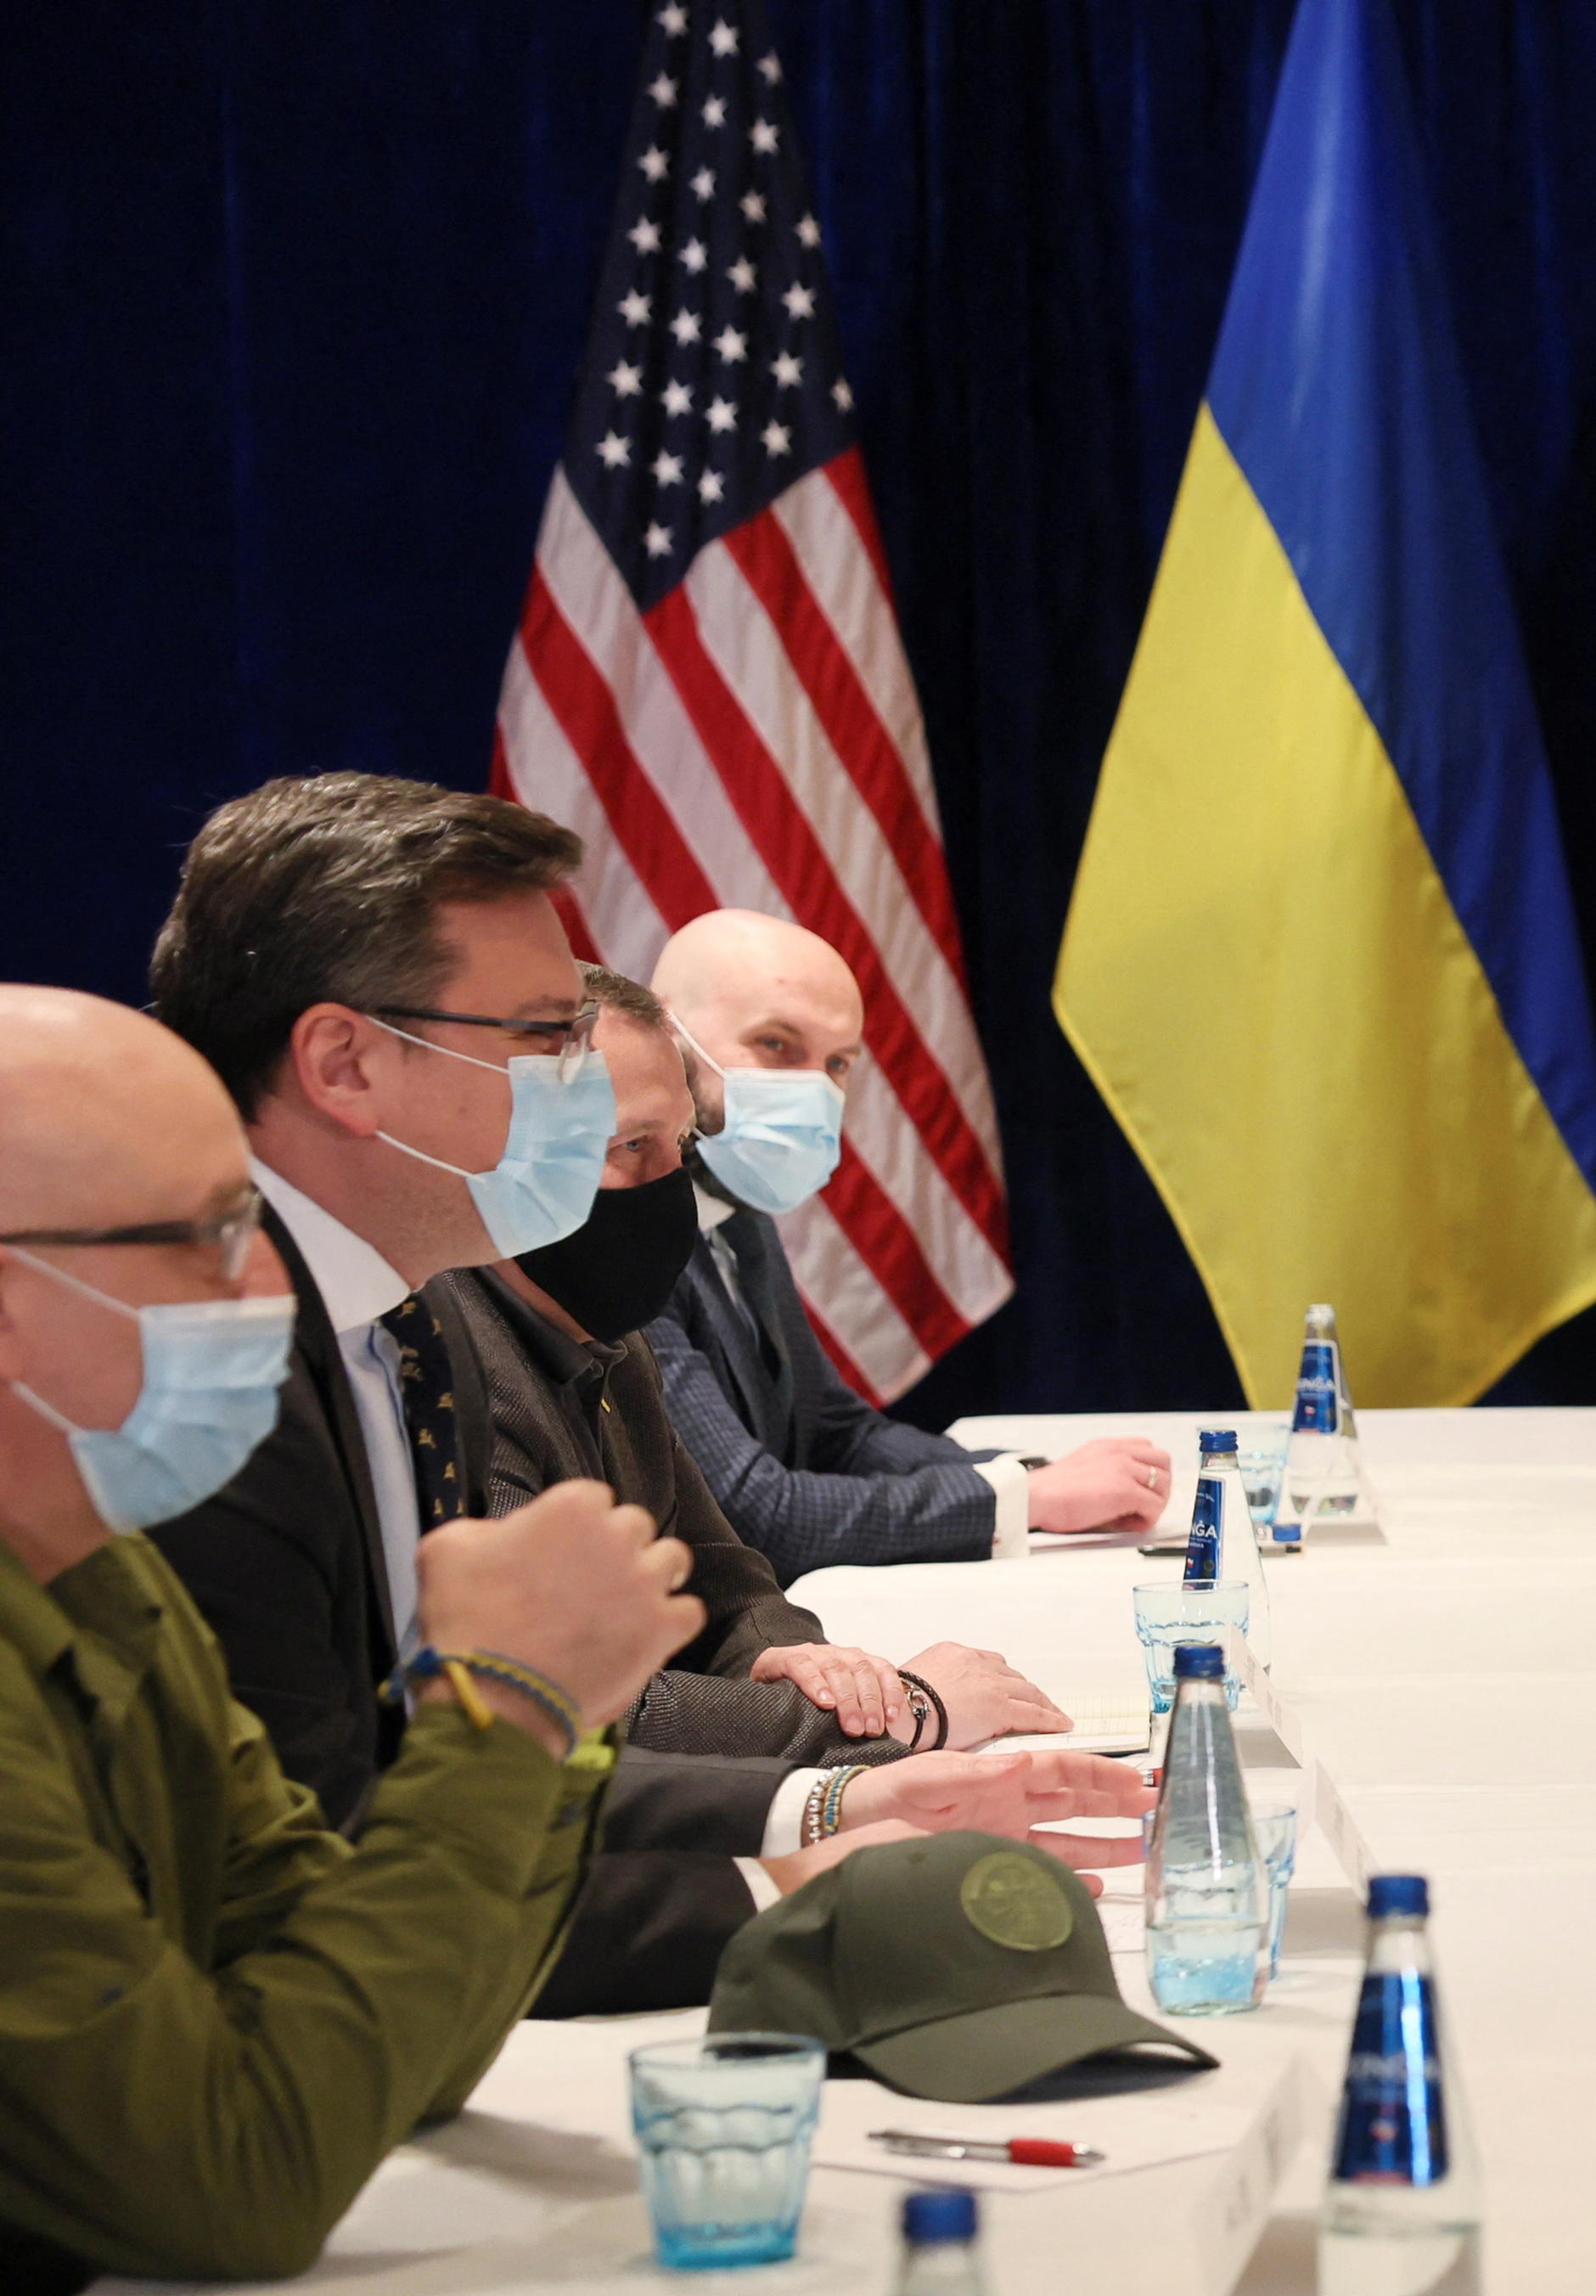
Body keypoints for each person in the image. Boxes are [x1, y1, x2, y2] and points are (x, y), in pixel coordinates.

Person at [137, 776, 1145, 2018]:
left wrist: (830, 1804)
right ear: (345, 1064)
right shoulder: (196, 1379)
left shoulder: (405, 1319)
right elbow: (322, 1860)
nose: (584, 1079)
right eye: (541, 1037)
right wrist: (786, 1884)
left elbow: (485, 1766)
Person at [0, 984, 704, 2296]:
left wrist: (557, 1726)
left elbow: (389, 2045)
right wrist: (507, 1710)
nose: (265, 1284)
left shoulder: (101, 1563)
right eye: (205, 1238)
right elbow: (239, 2179)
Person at [437, 965, 1071, 1768]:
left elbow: (725, 1571)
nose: (671, 1187)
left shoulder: (609, 1334)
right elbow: (570, 1706)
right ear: (509, 1152)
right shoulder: (451, 1368)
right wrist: (897, 1715)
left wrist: (805, 1665)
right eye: (632, 1147)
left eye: (681, 1145)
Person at [649, 909, 1168, 1582]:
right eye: (776, 1044)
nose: (813, 1087)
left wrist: (1033, 1479)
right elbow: (755, 1516)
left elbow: (837, 1433)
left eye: (837, 1063)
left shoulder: (736, 1205)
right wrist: (1022, 1500)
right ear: (665, 1037)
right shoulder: (622, 1240)